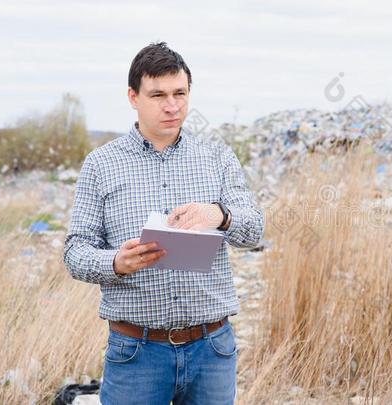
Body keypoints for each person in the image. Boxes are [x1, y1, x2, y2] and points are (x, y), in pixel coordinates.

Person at [63, 41, 264, 405]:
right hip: (136, 353)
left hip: (212, 349)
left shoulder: (217, 157)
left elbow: (254, 231)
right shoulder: (100, 164)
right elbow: (75, 251)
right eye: (158, 95)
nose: (172, 106)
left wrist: (220, 215)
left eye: (180, 93)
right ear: (133, 96)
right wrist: (115, 264)